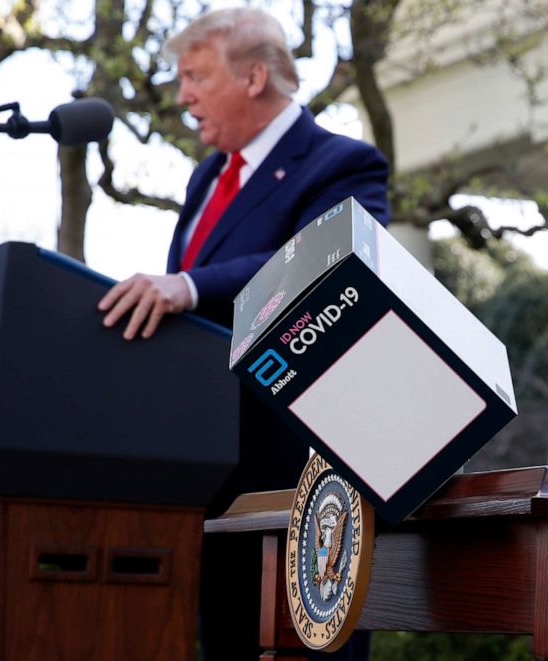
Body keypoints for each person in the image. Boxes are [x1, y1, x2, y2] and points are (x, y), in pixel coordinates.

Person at [98, 8, 388, 660]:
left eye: (196, 76)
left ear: (255, 76)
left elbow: (328, 258)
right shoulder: (207, 176)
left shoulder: (344, 164)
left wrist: (190, 285)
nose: (183, 97)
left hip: (300, 483)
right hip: (203, 472)